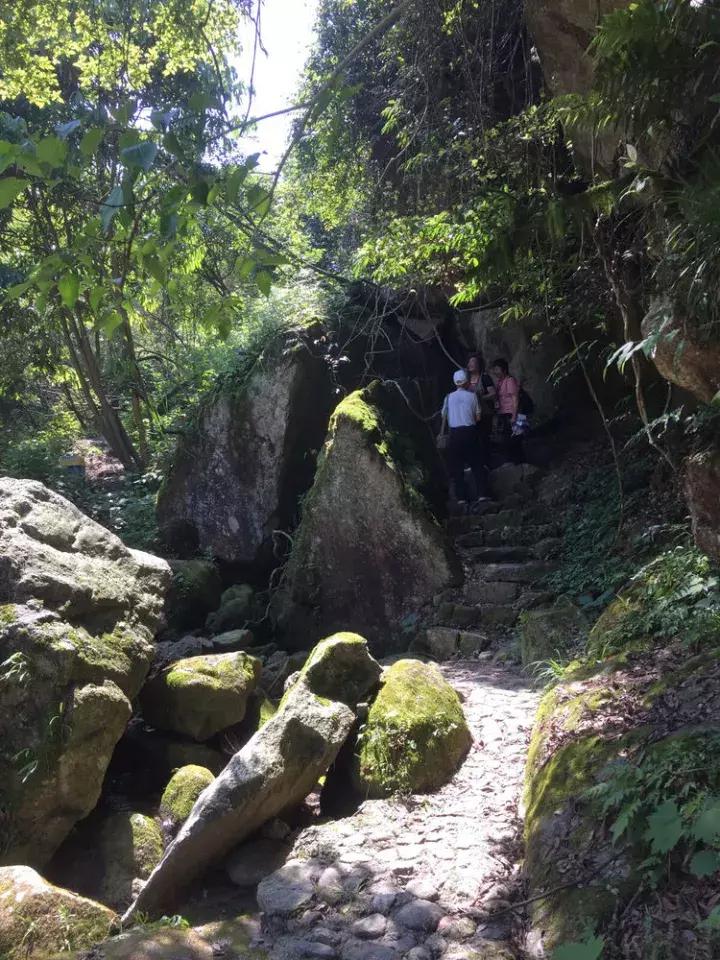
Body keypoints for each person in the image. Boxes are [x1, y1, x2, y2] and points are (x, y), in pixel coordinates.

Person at [439, 368, 491, 506]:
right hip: (470, 431)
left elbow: (443, 415)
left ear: (455, 382)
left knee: (457, 467)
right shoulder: (472, 396)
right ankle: (481, 495)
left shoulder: (448, 397)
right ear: (467, 382)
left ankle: (461, 498)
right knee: (477, 464)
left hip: (454, 434)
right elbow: (478, 417)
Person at [490, 357, 522, 464]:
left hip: (511, 413)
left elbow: (515, 398)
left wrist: (514, 415)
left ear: (504, 369)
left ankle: (519, 461)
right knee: (507, 439)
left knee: (514, 438)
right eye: (494, 369)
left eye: (497, 369)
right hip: (504, 413)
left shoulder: (509, 380)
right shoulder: (500, 382)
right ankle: (513, 461)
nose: (495, 372)